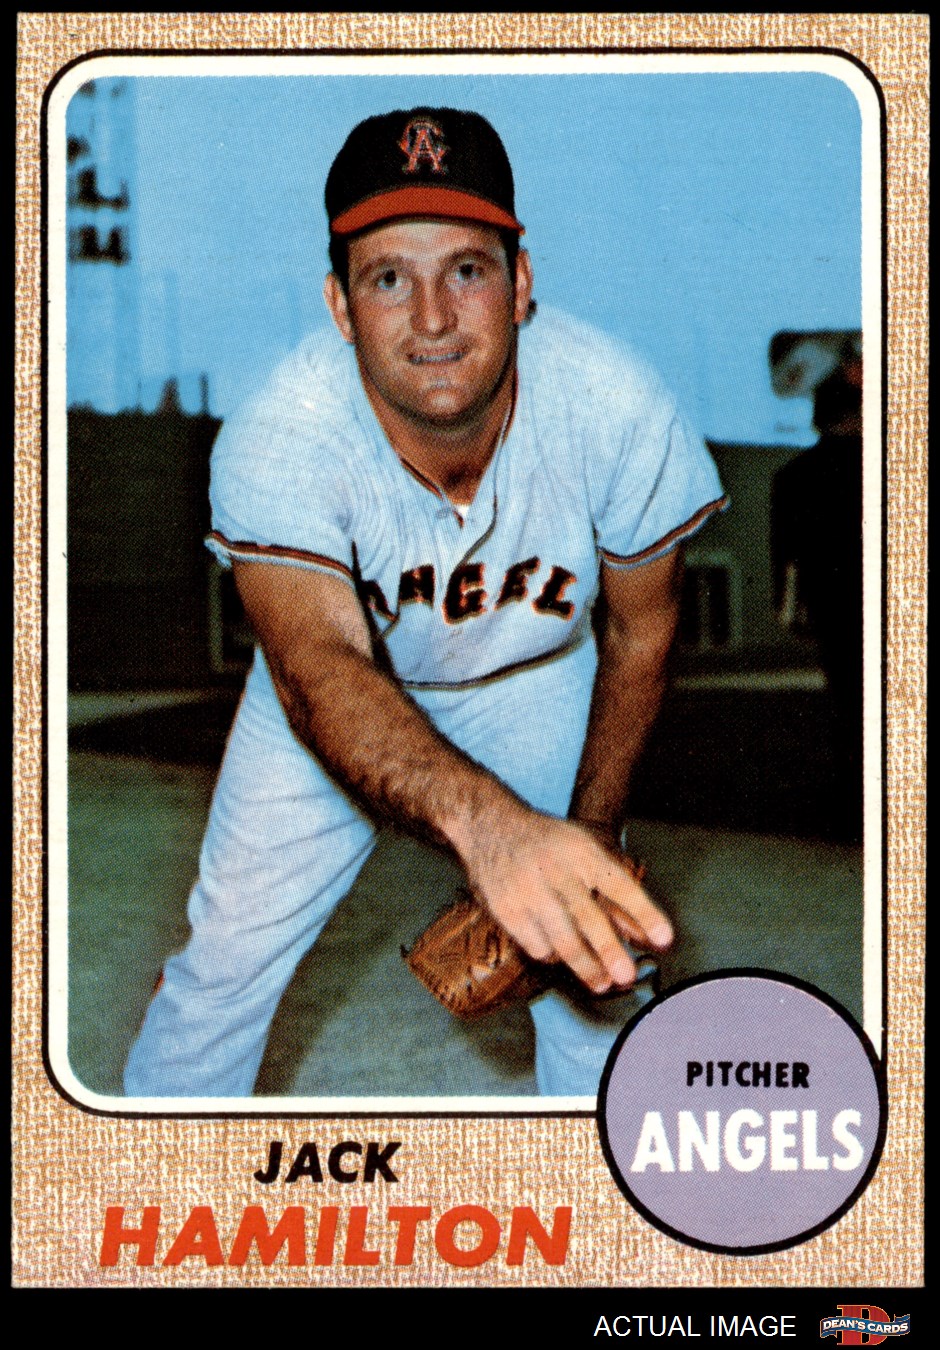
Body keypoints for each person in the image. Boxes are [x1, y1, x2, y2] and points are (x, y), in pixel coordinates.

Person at [124, 108, 727, 1098]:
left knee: (599, 963)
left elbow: (640, 634)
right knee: (222, 966)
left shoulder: (615, 406)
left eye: (467, 270)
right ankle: (146, 1176)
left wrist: (587, 833)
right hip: (340, 690)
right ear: (339, 304)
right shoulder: (282, 433)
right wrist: (491, 829)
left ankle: (609, 1179)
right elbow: (316, 668)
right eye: (388, 279)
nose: (435, 318)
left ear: (521, 284)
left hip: (533, 677)